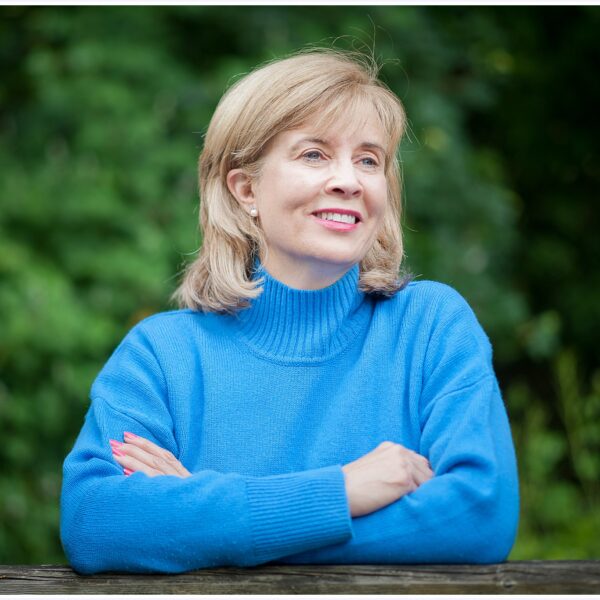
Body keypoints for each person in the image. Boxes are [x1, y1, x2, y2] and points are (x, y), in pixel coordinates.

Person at [60, 49, 519, 574]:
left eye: (368, 160)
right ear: (245, 189)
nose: (349, 179)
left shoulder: (431, 326)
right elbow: (94, 523)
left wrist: (220, 527)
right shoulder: (163, 356)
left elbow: (480, 513)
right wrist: (342, 492)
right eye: (315, 155)